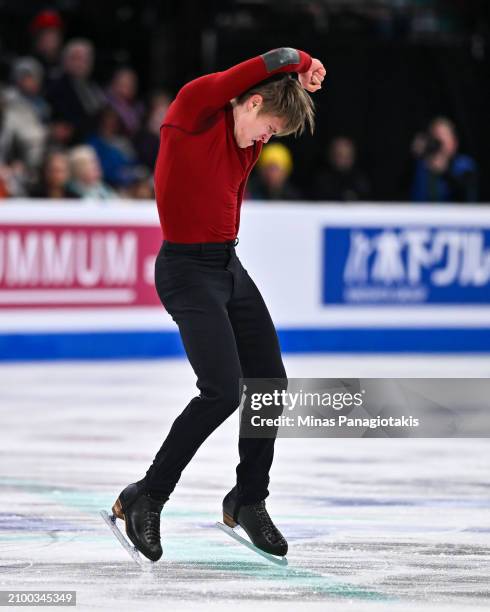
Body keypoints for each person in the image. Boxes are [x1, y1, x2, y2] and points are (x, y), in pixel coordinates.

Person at [110, 48, 325, 562]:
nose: (266, 139)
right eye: (268, 126)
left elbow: (275, 95)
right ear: (249, 104)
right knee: (223, 390)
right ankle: (149, 495)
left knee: (269, 383)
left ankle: (249, 499)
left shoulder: (248, 143)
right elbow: (258, 67)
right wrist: (304, 60)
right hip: (186, 272)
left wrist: (298, 84)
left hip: (228, 268)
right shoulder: (193, 112)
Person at [410, 117, 478, 203]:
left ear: (454, 142)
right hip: (420, 214)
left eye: (443, 135)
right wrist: (413, 156)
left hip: (453, 215)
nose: (438, 142)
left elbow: (467, 195)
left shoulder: (464, 164)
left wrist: (445, 172)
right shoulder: (420, 165)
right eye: (435, 136)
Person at [311, 136, 371, 201]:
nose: (343, 160)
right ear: (331, 155)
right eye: (339, 155)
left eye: (346, 156)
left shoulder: (360, 181)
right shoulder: (321, 180)